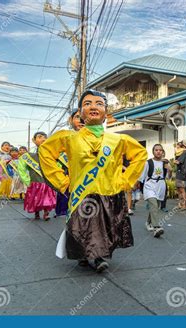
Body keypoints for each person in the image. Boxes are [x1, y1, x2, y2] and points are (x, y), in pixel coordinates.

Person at [39, 90, 147, 273]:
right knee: (83, 227)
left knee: (103, 228)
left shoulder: (118, 139)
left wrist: (124, 180)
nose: (93, 107)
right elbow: (46, 153)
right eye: (87, 103)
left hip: (109, 193)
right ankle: (93, 257)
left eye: (99, 103)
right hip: (83, 193)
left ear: (106, 112)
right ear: (80, 113)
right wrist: (63, 181)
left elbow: (140, 154)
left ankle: (91, 255)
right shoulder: (69, 138)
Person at [18, 132, 57, 220]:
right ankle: (37, 213)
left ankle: (46, 214)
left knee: (48, 199)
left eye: (45, 137)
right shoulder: (28, 156)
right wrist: (27, 181)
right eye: (40, 137)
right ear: (33, 140)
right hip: (35, 182)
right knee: (35, 199)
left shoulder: (52, 155)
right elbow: (21, 169)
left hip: (48, 182)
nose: (43, 139)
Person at [55, 108, 84, 218]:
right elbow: (51, 159)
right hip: (69, 180)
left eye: (84, 117)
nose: (81, 120)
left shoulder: (99, 139)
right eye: (77, 117)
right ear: (70, 120)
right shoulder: (64, 139)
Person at [140, 144, 171, 238]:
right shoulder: (148, 162)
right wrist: (136, 185)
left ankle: (148, 222)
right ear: (153, 151)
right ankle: (156, 227)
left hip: (160, 186)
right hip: (149, 186)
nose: (158, 152)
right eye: (156, 150)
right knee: (154, 205)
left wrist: (170, 170)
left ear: (163, 152)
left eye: (160, 150)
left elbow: (168, 178)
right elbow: (142, 176)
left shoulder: (164, 163)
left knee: (155, 207)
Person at [174, 141, 186, 210]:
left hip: (182, 173)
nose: (177, 147)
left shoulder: (185, 152)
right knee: (178, 189)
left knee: (182, 190)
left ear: (182, 146)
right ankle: (180, 204)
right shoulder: (180, 152)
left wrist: (175, 161)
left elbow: (177, 162)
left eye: (178, 146)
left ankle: (184, 205)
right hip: (179, 172)